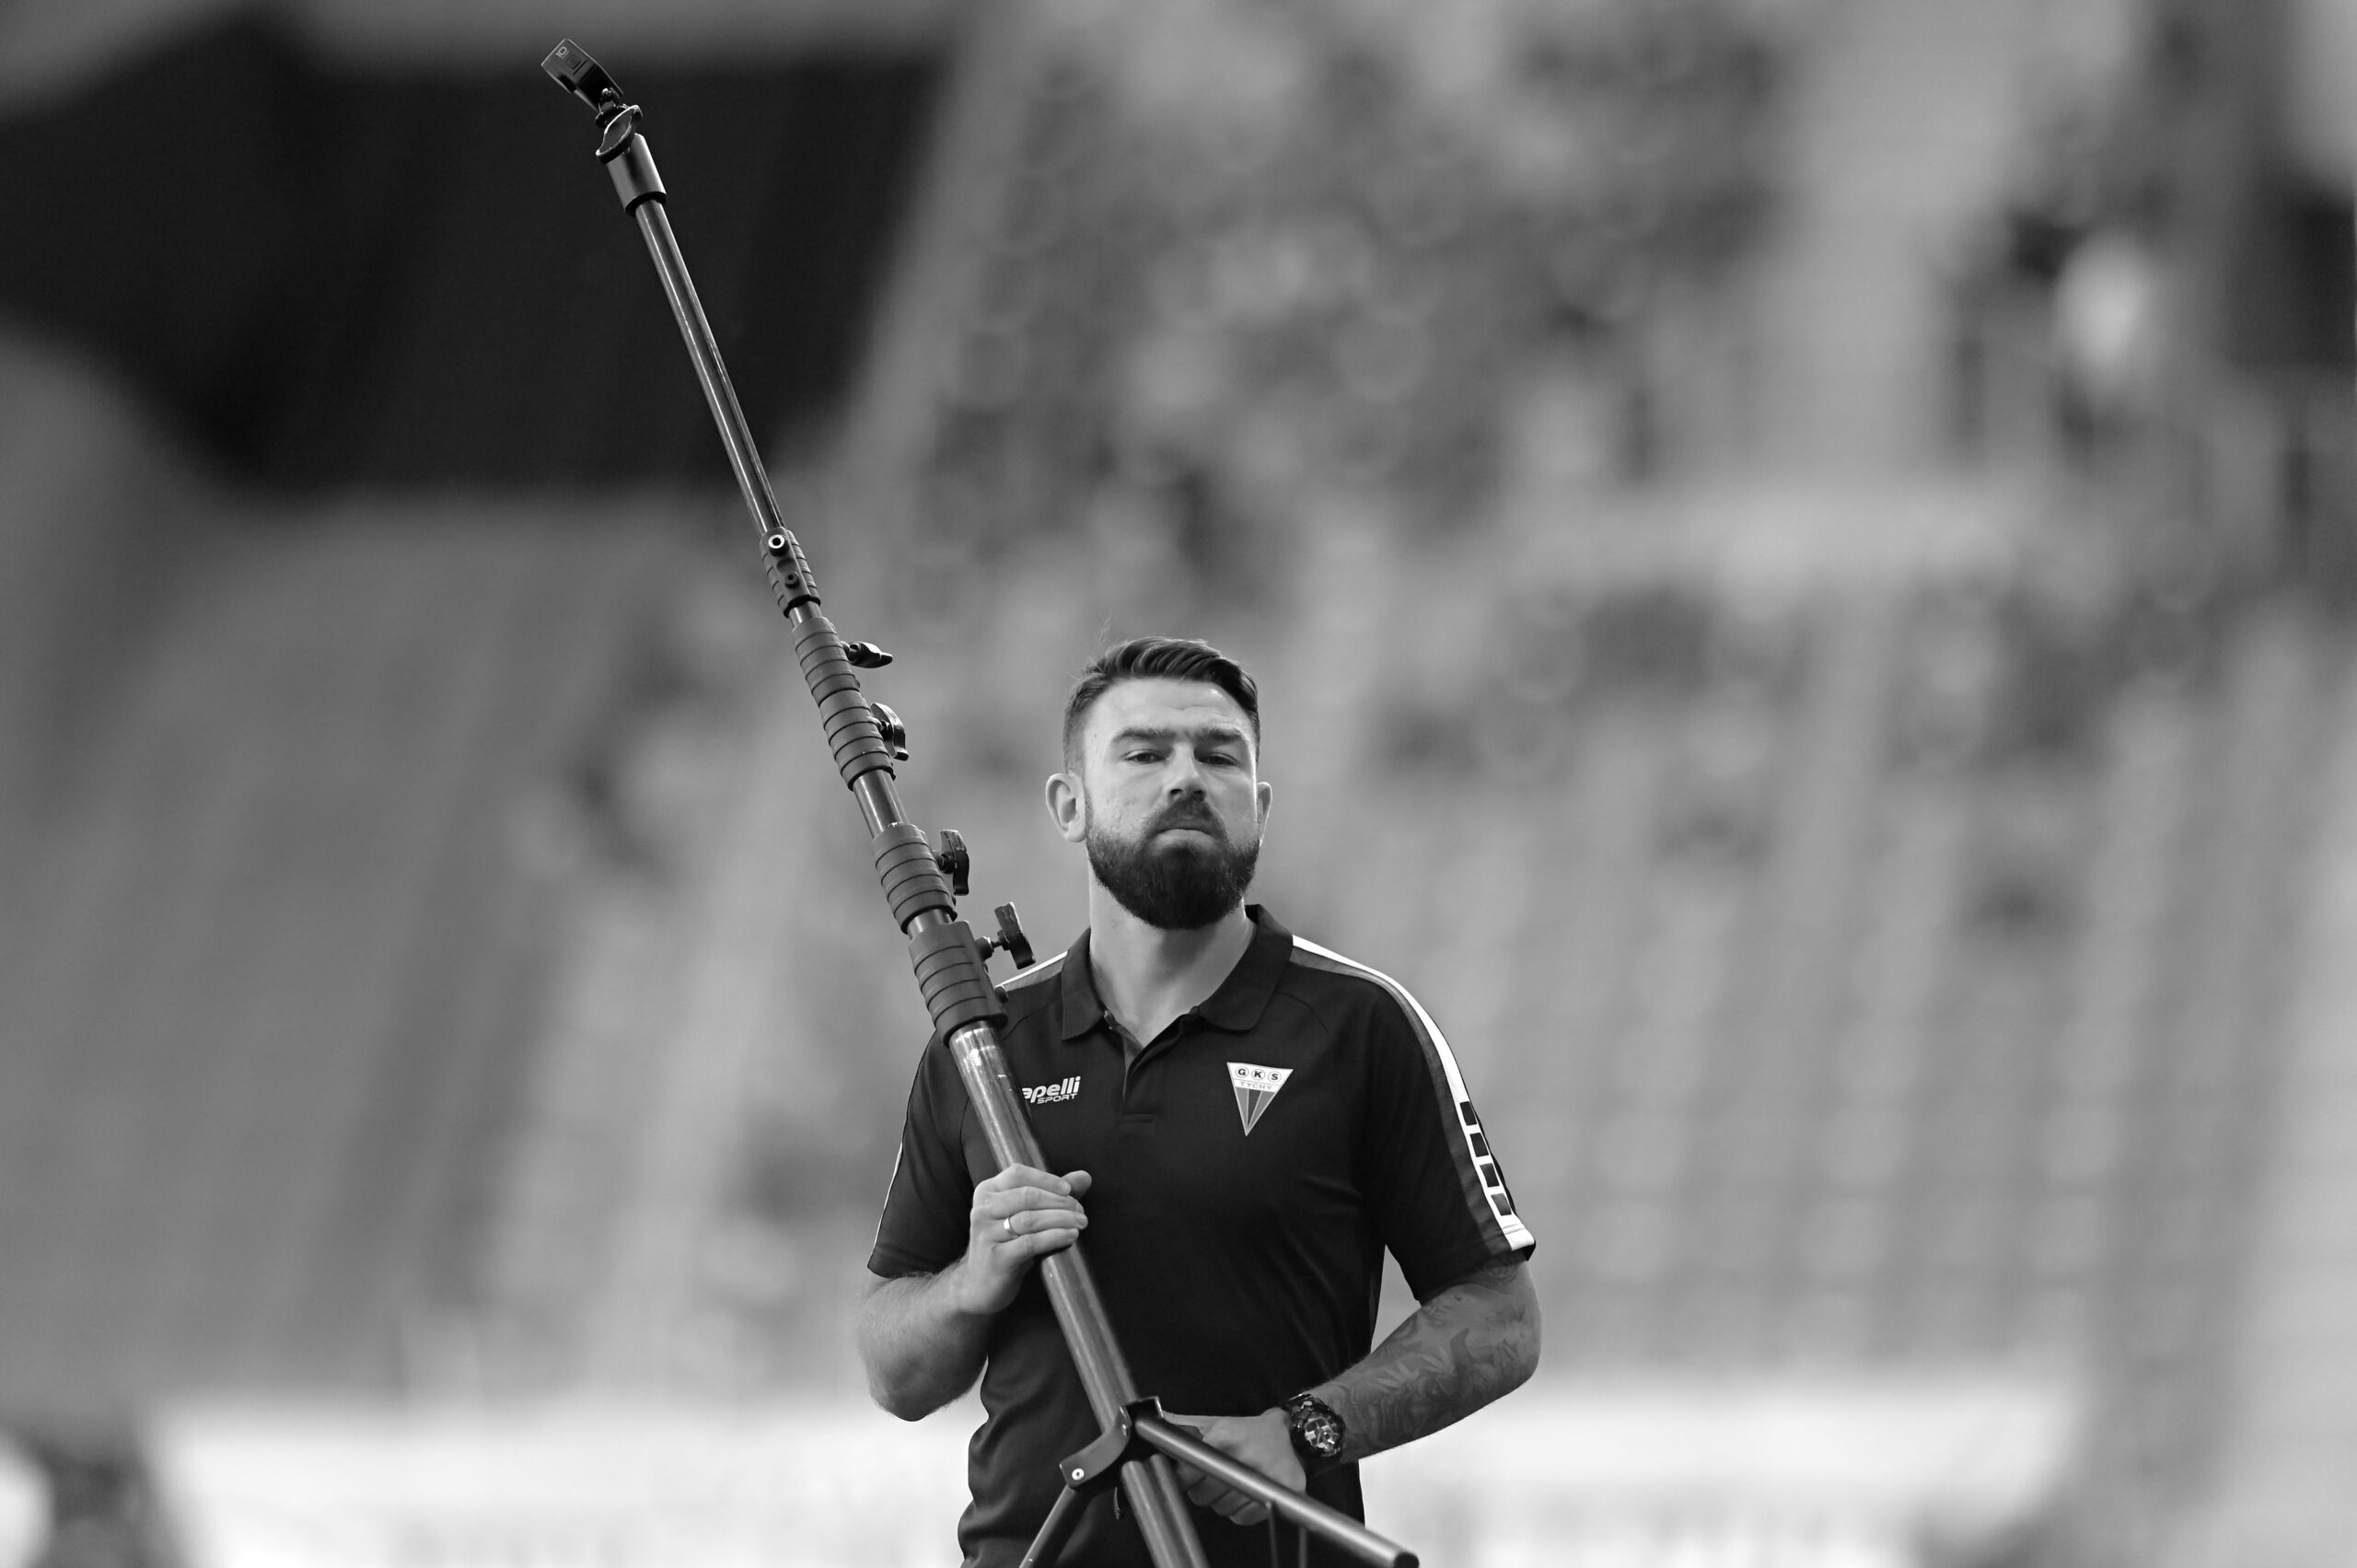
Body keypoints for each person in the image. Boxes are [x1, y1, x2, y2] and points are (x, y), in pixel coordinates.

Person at [856, 636, 1539, 1566]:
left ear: (1259, 804)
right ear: (1068, 804)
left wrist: (1307, 1428)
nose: (1186, 777)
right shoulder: (984, 1046)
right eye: (1143, 753)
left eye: (1219, 755)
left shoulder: (1360, 1026)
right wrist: (971, 1281)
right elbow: (893, 1368)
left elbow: (1500, 1313)